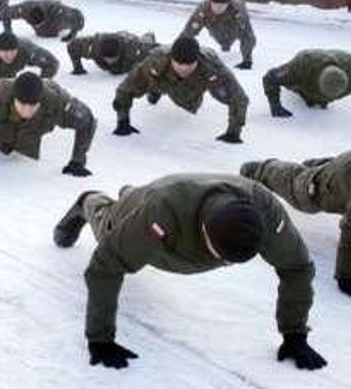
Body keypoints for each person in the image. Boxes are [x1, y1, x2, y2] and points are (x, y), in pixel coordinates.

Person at [53, 173, 326, 371]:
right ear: (205, 232)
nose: (227, 265)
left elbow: (298, 267)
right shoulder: (162, 213)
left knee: (144, 200)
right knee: (109, 221)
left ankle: (131, 190)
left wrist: (295, 335)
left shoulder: (265, 211)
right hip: (153, 215)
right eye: (223, 257)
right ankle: (89, 201)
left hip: (175, 198)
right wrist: (100, 339)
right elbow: (105, 267)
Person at [0, 72, 94, 177]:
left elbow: (87, 121)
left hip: (34, 129)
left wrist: (78, 161)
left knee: (25, 148)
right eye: (22, 104)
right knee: (3, 144)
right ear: (14, 99)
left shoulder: (56, 101)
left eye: (32, 105)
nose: (27, 110)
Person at [242, 154, 351, 294]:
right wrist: (346, 276)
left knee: (322, 174)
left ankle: (318, 167)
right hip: (329, 183)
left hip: (343, 171)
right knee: (299, 189)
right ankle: (260, 170)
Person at [112, 37, 248, 143]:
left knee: (189, 102)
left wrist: (233, 132)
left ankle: (164, 90)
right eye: (179, 63)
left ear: (197, 61)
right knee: (149, 81)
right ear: (172, 59)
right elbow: (125, 89)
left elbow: (239, 99)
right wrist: (123, 121)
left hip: (193, 87)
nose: (183, 68)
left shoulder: (213, 68)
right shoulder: (155, 61)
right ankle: (154, 90)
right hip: (162, 79)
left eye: (189, 64)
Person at [180, 0, 255, 69]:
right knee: (222, 41)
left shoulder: (238, 9)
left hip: (232, 28)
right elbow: (188, 31)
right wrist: (177, 51)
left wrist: (247, 60)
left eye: (221, 6)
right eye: (215, 5)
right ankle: (225, 45)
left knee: (240, 37)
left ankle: (227, 45)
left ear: (228, 4)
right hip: (215, 28)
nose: (217, 8)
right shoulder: (203, 8)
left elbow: (247, 36)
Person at [261, 48, 351, 117]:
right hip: (304, 75)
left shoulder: (348, 66)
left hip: (335, 58)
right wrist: (275, 105)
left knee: (319, 104)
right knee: (311, 101)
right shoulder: (300, 68)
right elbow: (270, 78)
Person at [67, 31, 158, 75]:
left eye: (113, 59)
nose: (110, 62)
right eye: (107, 59)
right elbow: (72, 45)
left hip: (130, 41)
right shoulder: (93, 49)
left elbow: (160, 51)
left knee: (145, 43)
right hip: (111, 37)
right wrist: (78, 68)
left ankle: (148, 35)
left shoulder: (133, 50)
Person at [1, 0, 84, 41]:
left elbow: (78, 19)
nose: (37, 27)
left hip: (54, 18)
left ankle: (50, 29)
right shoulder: (24, 9)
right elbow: (5, 13)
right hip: (41, 14)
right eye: (35, 25)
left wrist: (72, 35)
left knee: (49, 35)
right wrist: (8, 31)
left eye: (39, 25)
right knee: (41, 34)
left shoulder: (60, 13)